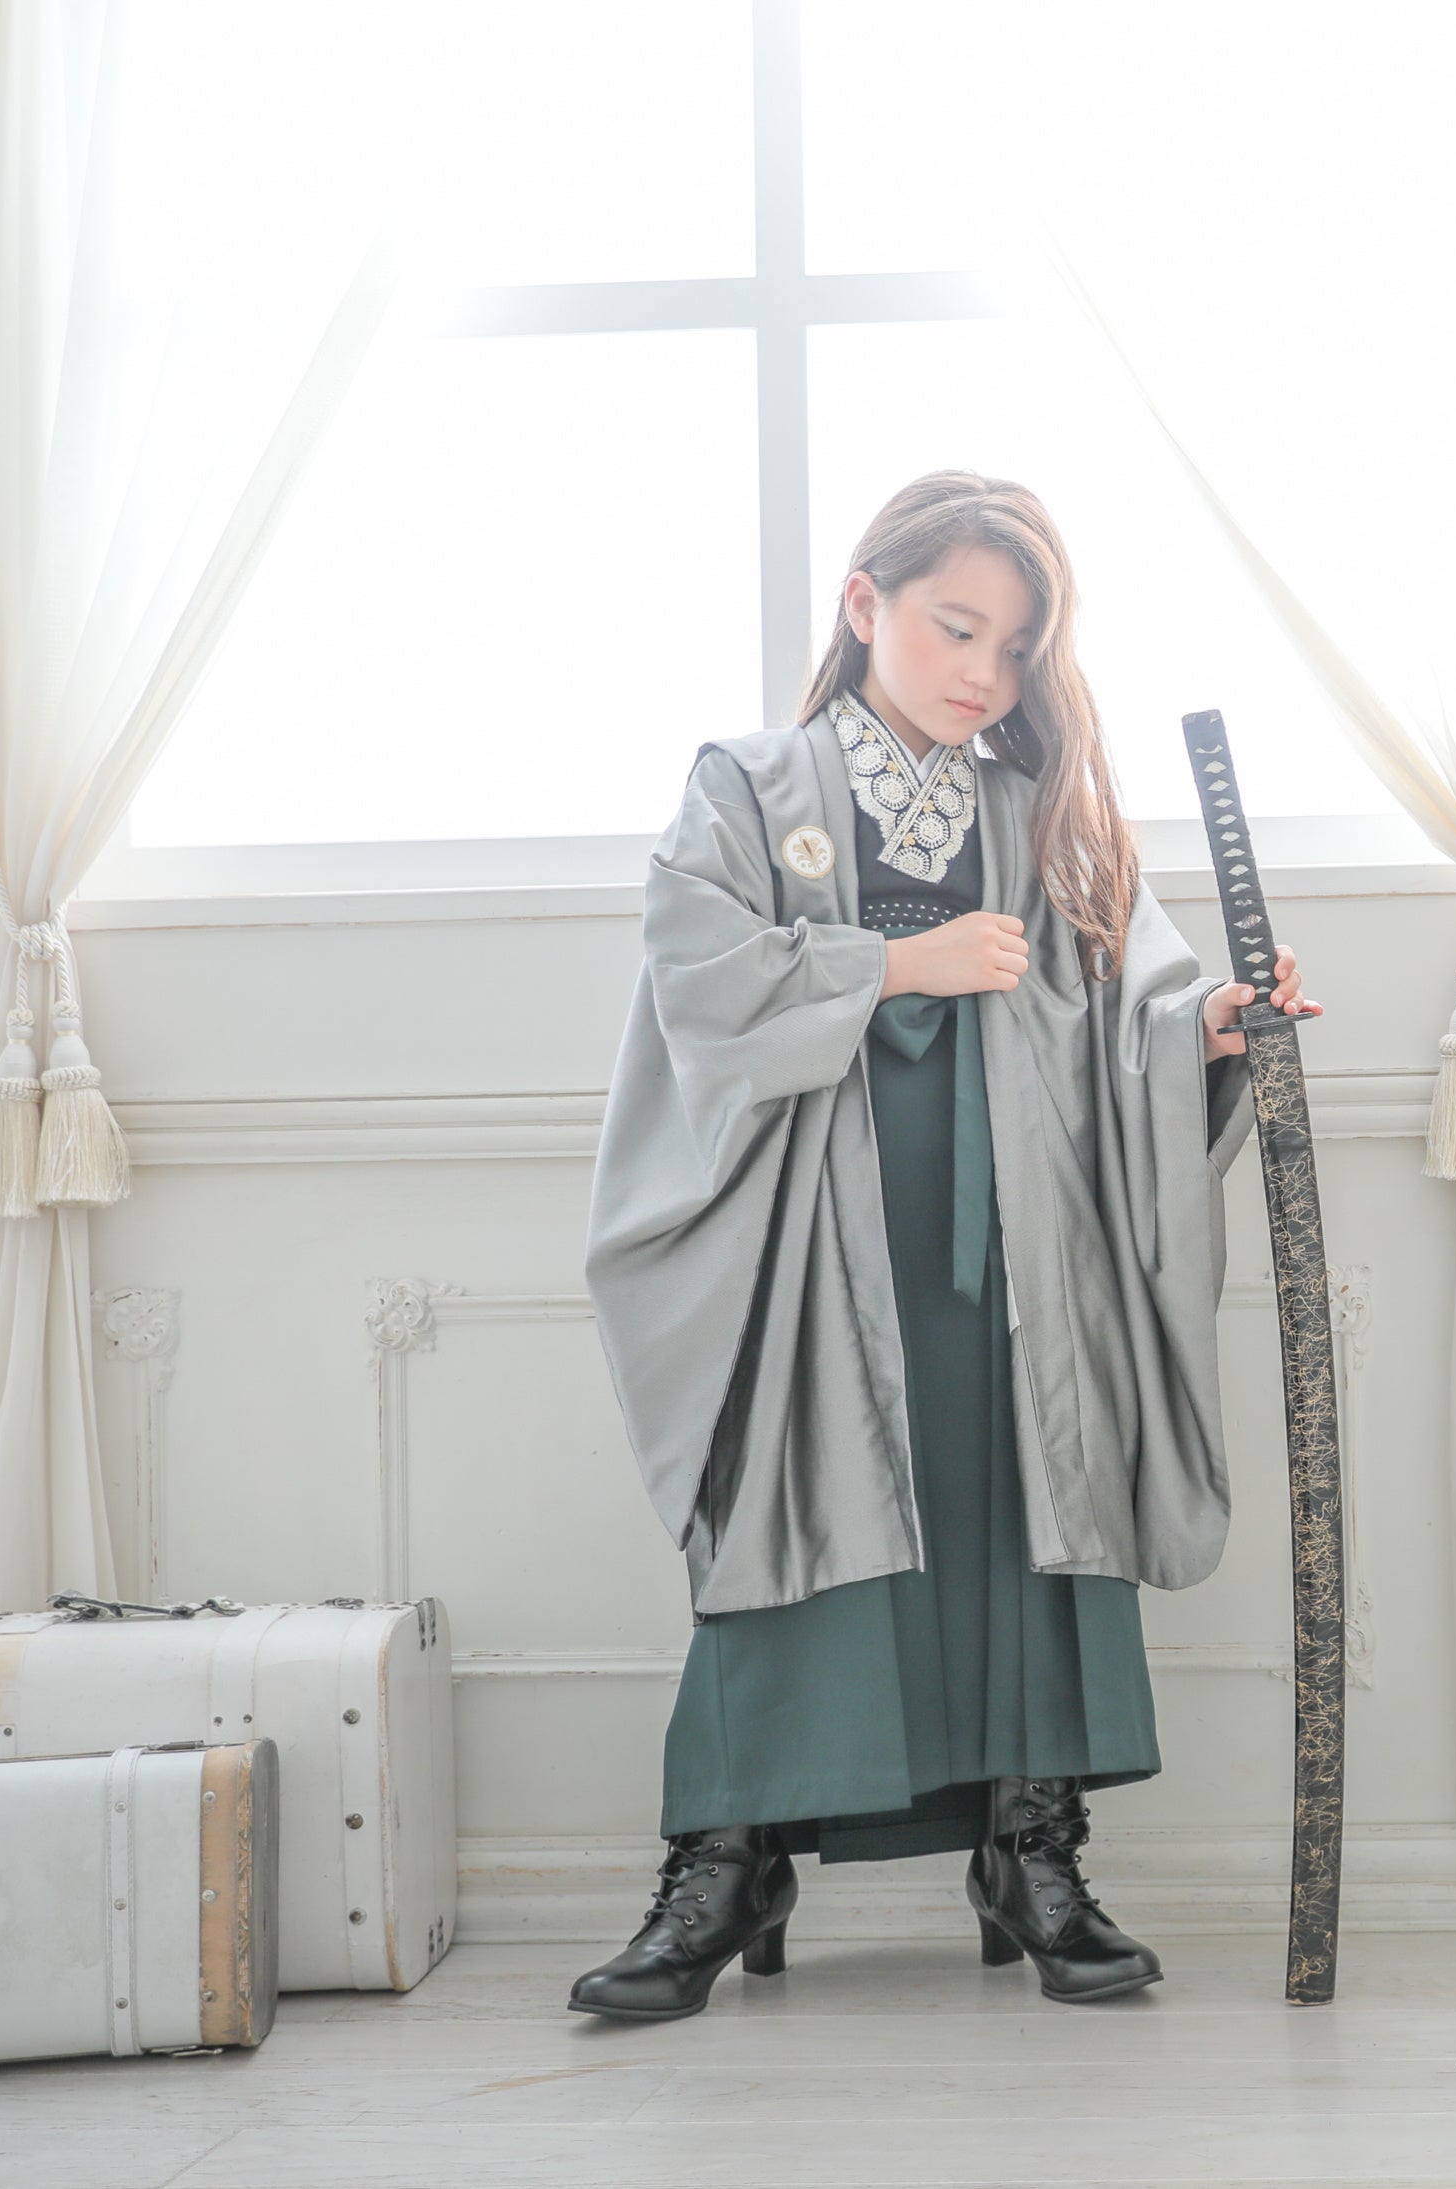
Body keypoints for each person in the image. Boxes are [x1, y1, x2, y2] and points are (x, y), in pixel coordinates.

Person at [568, 471, 1314, 2022]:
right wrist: (903, 962)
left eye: (1015, 645)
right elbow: (699, 977)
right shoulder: (748, 785)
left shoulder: (1034, 809)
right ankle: (728, 1859)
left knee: (1021, 1512)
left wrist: (1212, 1029)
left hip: (1015, 1239)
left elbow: (1124, 1005)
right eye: (955, 625)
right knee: (793, 1518)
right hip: (808, 1236)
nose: (986, 671)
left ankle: (1031, 1846)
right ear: (867, 604)